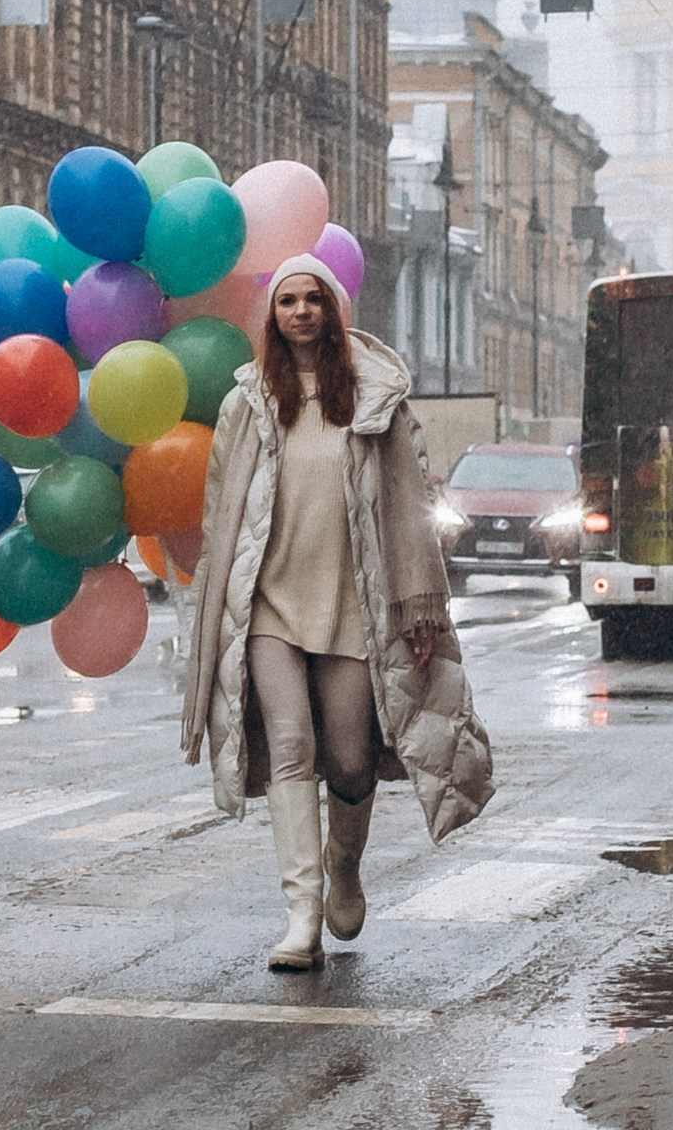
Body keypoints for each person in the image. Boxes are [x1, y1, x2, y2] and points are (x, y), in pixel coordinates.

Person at [182, 255, 495, 972]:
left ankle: (344, 865)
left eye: (312, 299)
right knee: (291, 748)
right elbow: (221, 511)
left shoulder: (377, 401)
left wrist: (420, 606)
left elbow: (412, 510)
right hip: (269, 604)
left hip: (355, 601)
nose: (299, 311)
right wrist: (211, 606)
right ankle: (302, 917)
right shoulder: (248, 402)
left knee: (351, 761)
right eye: (286, 300)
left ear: (332, 309)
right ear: (272, 316)